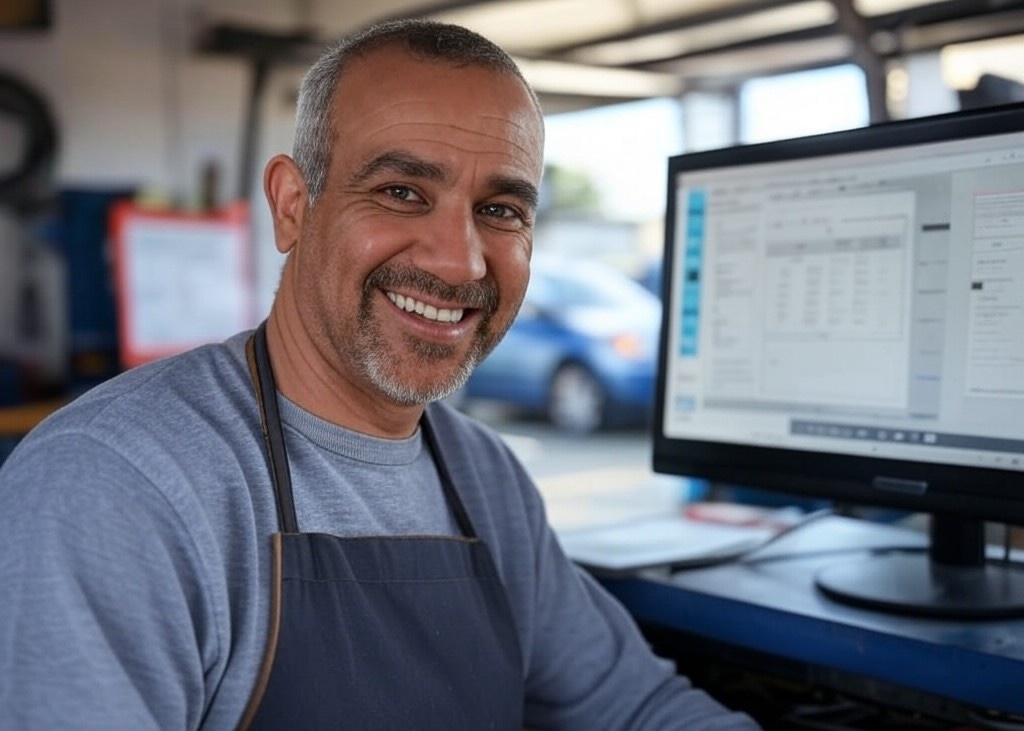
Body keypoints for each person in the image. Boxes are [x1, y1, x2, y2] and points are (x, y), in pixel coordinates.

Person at [0, 19, 762, 731]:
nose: (458, 260)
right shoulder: (115, 486)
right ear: (293, 205)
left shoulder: (485, 479)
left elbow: (636, 708)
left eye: (501, 209)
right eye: (402, 193)